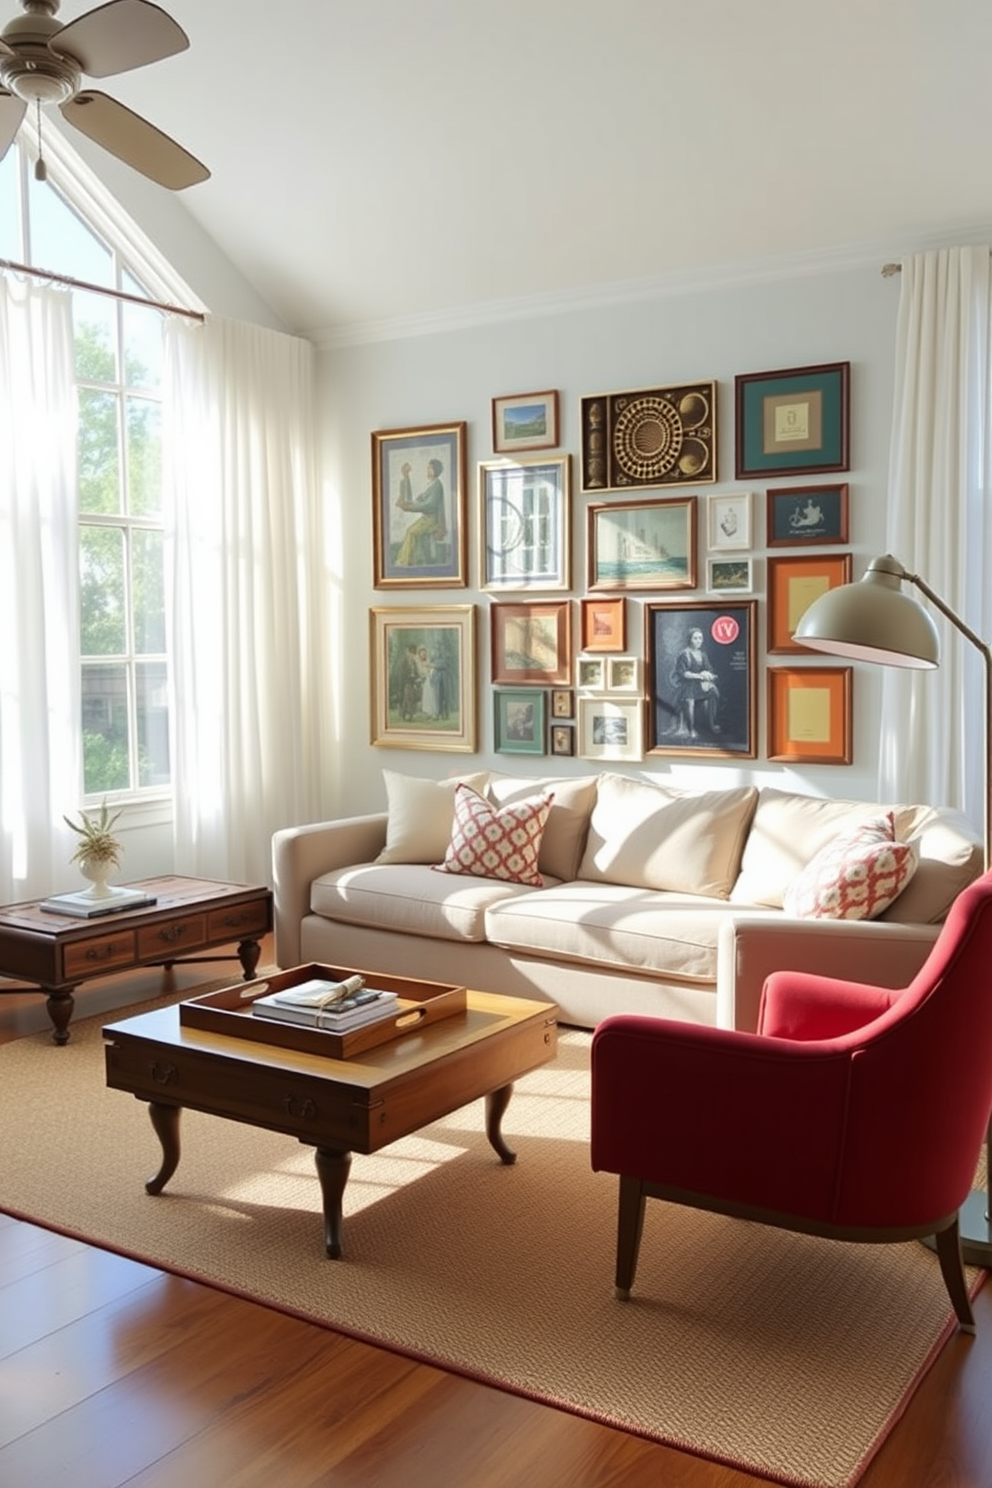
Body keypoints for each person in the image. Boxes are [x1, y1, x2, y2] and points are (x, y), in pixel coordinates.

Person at [395, 458, 447, 566]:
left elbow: (429, 506)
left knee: (411, 531)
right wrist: (406, 477)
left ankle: (404, 561)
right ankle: (413, 560)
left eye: (430, 468)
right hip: (427, 518)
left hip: (432, 520)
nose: (428, 470)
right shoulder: (431, 485)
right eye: (428, 468)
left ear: (435, 470)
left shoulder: (436, 486)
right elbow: (416, 501)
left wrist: (408, 507)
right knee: (411, 531)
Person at [670, 627, 721, 738]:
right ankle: (691, 729)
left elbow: (709, 668)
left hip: (700, 685)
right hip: (687, 685)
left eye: (700, 638)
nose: (698, 641)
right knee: (689, 701)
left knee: (713, 692)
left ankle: (711, 725)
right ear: (690, 640)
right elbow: (683, 673)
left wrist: (708, 674)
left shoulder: (703, 655)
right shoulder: (684, 654)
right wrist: (699, 676)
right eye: (695, 638)